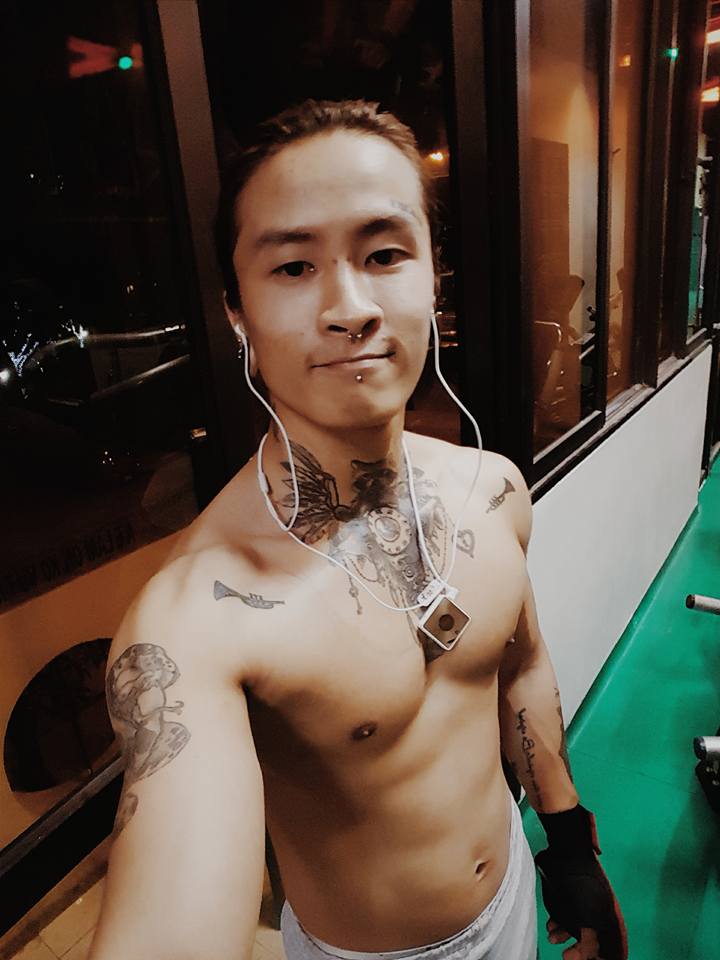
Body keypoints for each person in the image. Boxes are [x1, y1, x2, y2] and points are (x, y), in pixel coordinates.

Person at [88, 100, 627, 960]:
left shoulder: (491, 489)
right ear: (236, 309)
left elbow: (520, 664)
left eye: (384, 255)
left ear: (432, 277)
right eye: (293, 267)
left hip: (515, 904)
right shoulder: (199, 617)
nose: (350, 308)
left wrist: (568, 845)